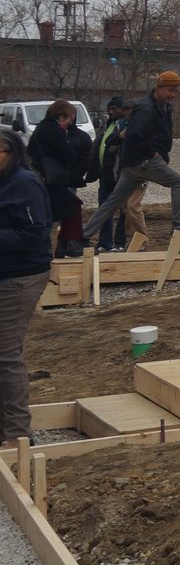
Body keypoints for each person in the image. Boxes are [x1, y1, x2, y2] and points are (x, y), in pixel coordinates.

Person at [85, 72, 180, 241]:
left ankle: (83, 235)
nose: (173, 95)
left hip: (132, 166)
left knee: (113, 202)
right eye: (170, 90)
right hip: (144, 162)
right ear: (159, 88)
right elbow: (134, 136)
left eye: (176, 91)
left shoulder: (161, 106)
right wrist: (152, 154)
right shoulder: (147, 109)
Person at [0, 129, 51, 445]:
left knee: (5, 354)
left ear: (12, 153)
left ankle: (18, 434)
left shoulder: (24, 183)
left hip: (21, 276)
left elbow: (33, 234)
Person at [26, 101, 88, 258]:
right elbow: (67, 154)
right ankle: (66, 244)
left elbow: (31, 151)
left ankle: (62, 245)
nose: (70, 123)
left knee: (60, 211)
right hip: (52, 180)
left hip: (43, 177)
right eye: (70, 118)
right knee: (67, 209)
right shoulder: (54, 130)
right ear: (61, 116)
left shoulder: (40, 128)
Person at [92, 98, 133, 252]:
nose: (111, 112)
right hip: (106, 174)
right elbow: (106, 143)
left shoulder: (126, 125)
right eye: (109, 109)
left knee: (124, 209)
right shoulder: (109, 124)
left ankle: (120, 242)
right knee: (104, 208)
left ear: (123, 109)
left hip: (121, 174)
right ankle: (104, 242)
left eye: (114, 109)